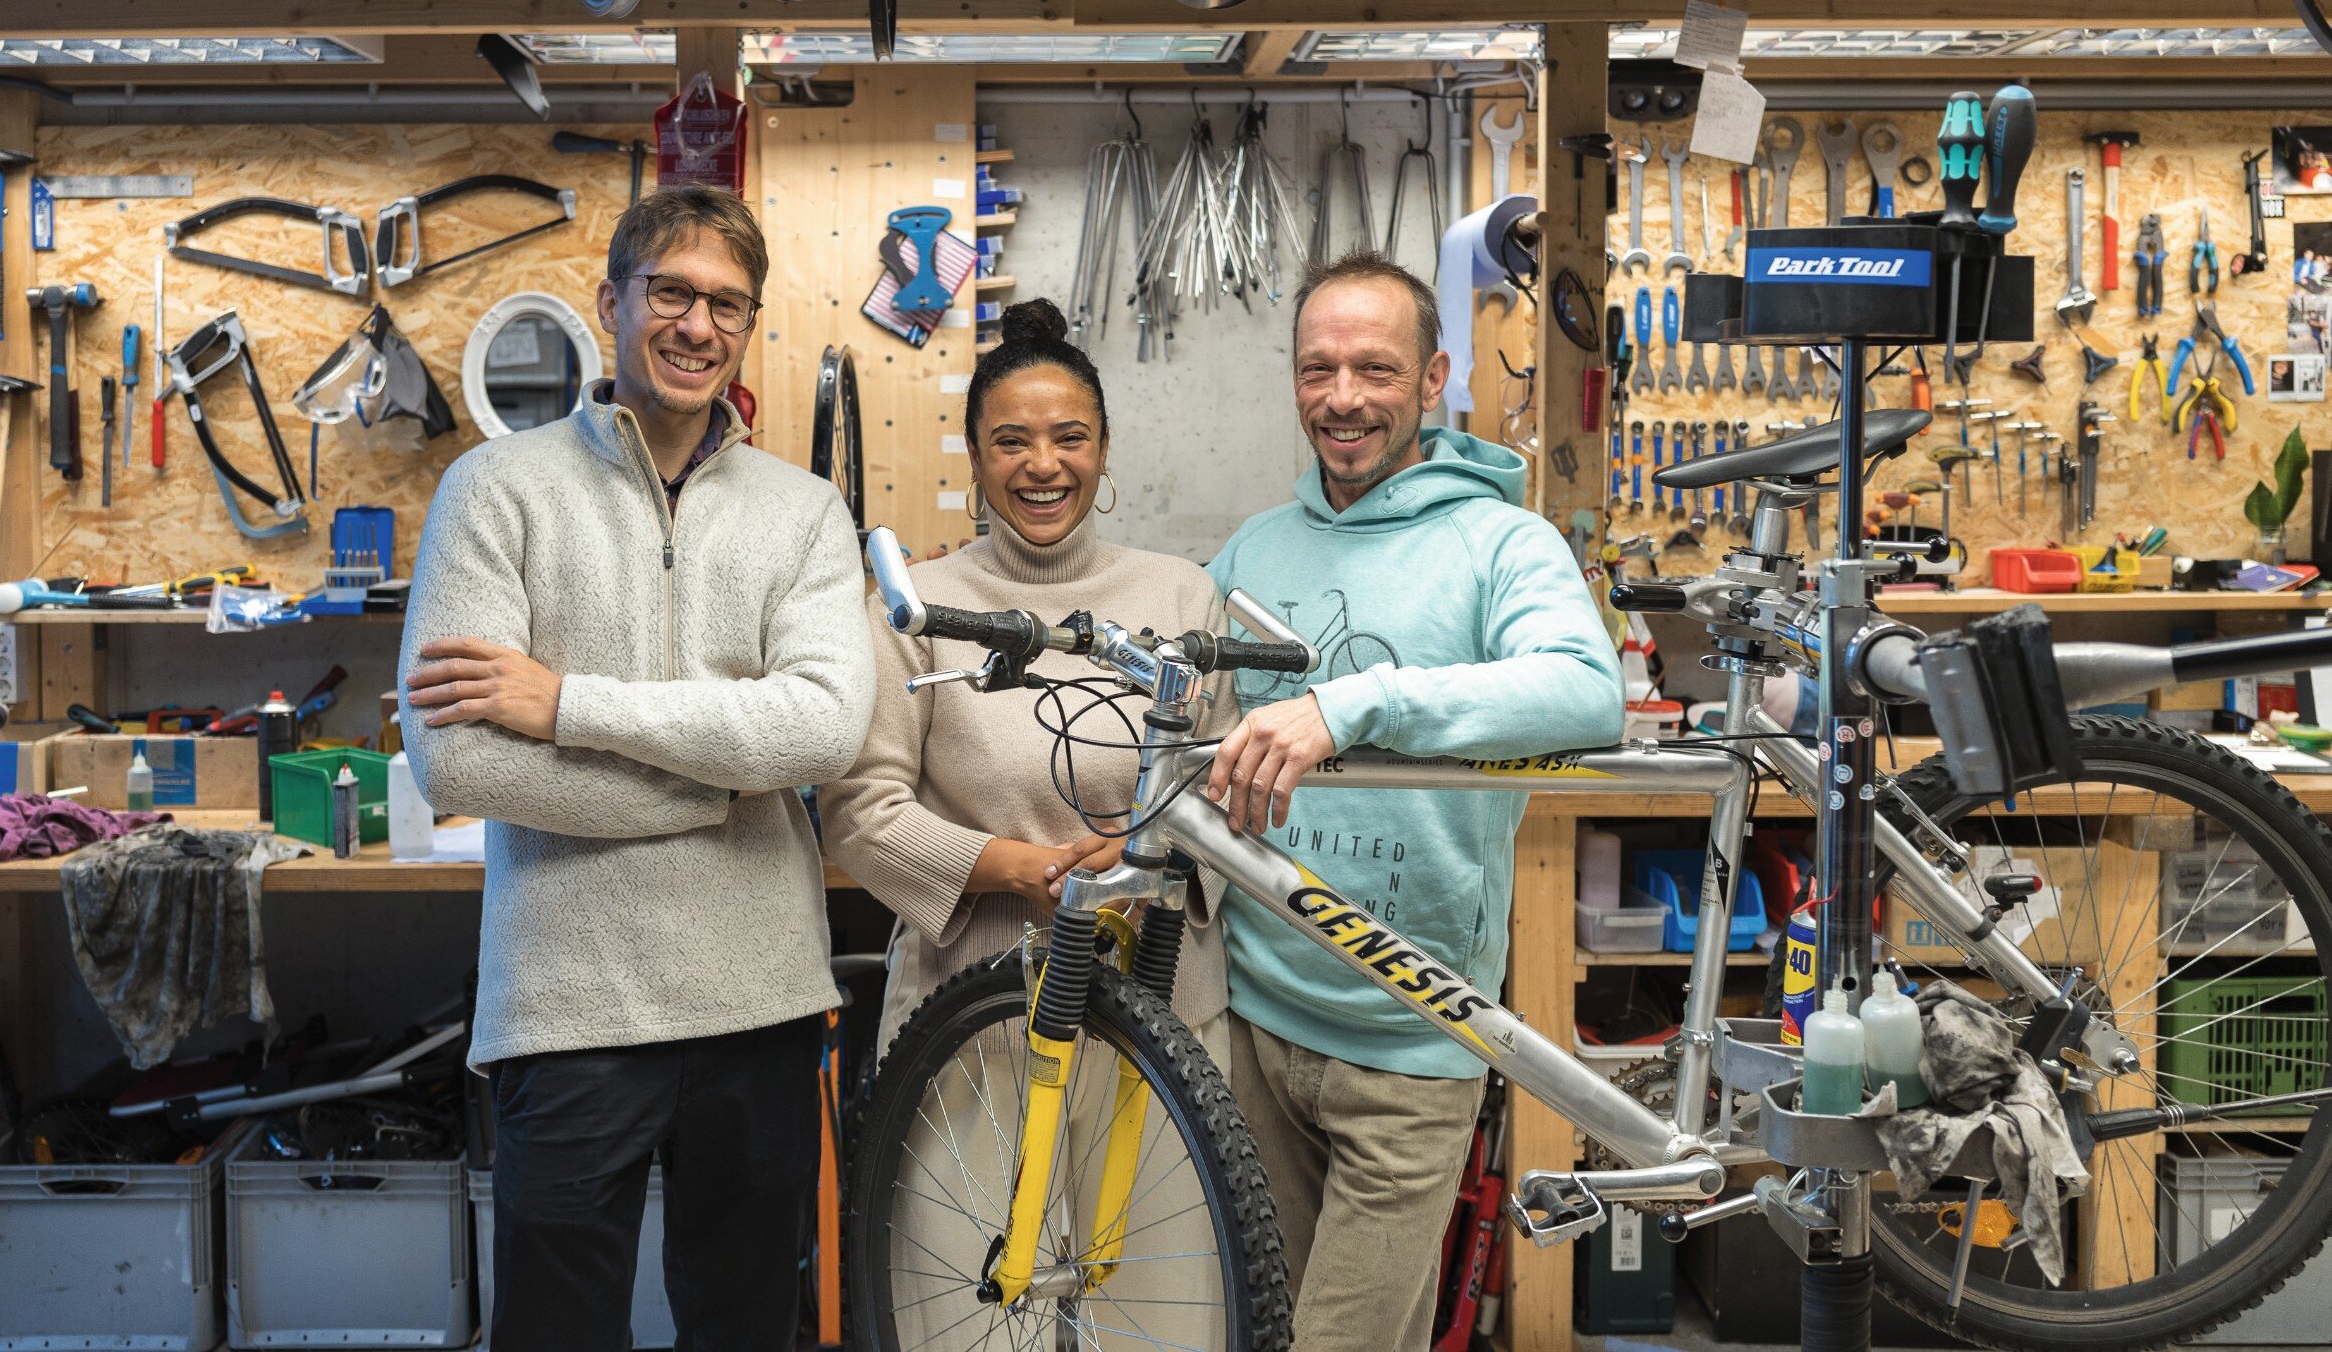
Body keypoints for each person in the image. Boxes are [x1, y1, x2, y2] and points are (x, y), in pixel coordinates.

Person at [396, 185, 876, 1352]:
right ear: (611, 300)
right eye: (670, 291)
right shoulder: (494, 489)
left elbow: (820, 732)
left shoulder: (805, 512)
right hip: (568, 1007)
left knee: (745, 1329)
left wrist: (564, 703)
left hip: (758, 1003)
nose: (696, 325)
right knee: (554, 1332)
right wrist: (718, 783)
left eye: (726, 303)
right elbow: (455, 757)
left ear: (748, 324)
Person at [1203, 251, 1626, 1352]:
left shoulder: (1501, 541)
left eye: (1375, 368)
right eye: (1318, 368)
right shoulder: (1255, 545)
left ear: (1435, 376)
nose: (1342, 397)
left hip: (1411, 1034)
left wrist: (1360, 703)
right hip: (1251, 1020)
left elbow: (1587, 692)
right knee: (1259, 1327)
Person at [820, 298, 1237, 1056]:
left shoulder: (1183, 595)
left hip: (1164, 1023)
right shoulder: (918, 606)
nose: (1043, 465)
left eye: (1070, 438)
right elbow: (858, 810)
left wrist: (1146, 860)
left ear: (1104, 449)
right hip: (968, 1026)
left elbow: (1227, 790)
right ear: (975, 456)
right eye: (1010, 441)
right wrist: (1028, 872)